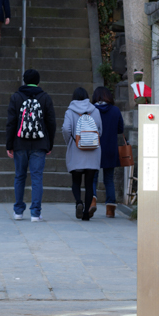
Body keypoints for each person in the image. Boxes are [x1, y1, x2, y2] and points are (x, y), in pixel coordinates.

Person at [6, 69, 56, 221]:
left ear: (24, 80)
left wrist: (9, 145)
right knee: (37, 178)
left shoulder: (16, 97)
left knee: (19, 176)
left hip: (20, 143)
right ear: (38, 81)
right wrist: (49, 144)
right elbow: (51, 123)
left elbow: (11, 123)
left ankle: (18, 211)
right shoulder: (45, 97)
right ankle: (35, 213)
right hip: (39, 143)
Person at [63, 87, 103, 221]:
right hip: (93, 151)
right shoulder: (95, 110)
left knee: (76, 181)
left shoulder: (70, 111)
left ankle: (78, 202)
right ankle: (86, 214)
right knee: (89, 183)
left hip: (76, 150)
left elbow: (66, 129)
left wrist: (71, 141)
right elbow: (100, 130)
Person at [91, 86, 126, 217]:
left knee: (93, 178)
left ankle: (92, 200)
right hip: (110, 148)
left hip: (94, 148)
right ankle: (110, 209)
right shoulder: (115, 110)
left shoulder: (91, 110)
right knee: (109, 179)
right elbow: (120, 129)